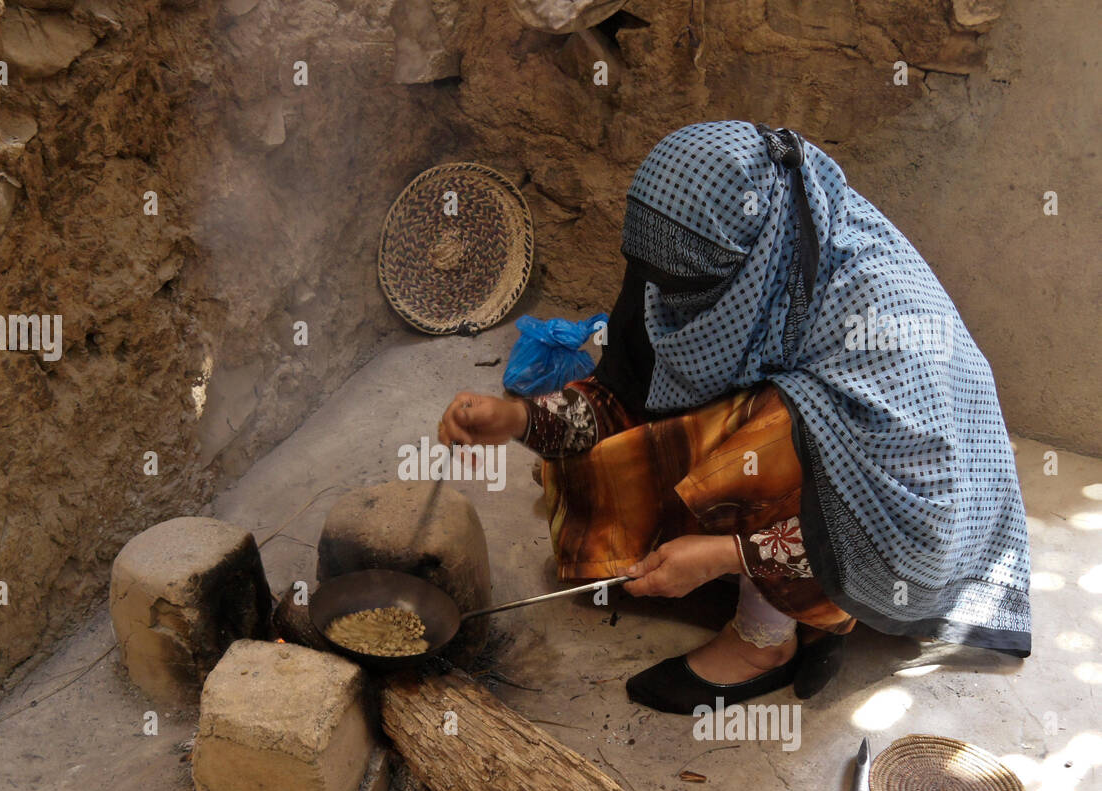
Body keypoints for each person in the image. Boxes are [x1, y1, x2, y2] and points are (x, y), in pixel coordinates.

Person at [437, 121, 1031, 715]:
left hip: (905, 518)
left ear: (747, 261)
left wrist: (731, 555)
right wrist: (516, 418)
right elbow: (628, 388)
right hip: (842, 468)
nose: (665, 303)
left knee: (785, 426)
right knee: (616, 480)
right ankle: (760, 563)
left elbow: (917, 530)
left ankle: (766, 639)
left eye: (685, 288)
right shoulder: (678, 250)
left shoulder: (880, 318)